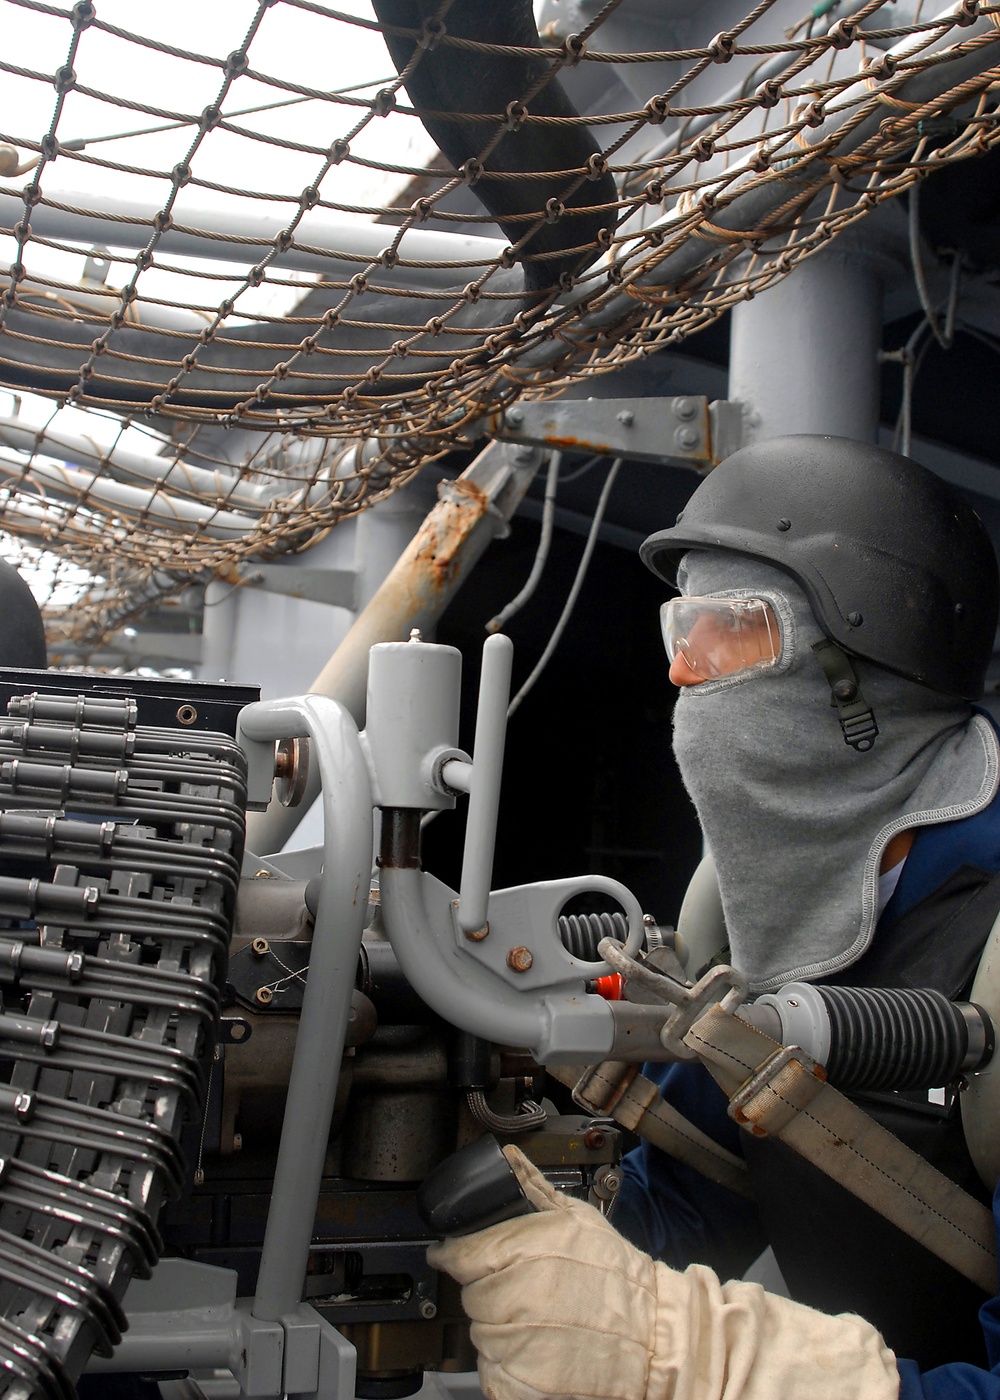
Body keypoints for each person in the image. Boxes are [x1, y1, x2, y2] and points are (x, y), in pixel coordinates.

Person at [430, 434, 1000, 1397]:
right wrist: (545, 1242)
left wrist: (711, 1369)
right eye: (674, 632)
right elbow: (691, 1206)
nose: (682, 674)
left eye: (727, 629)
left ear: (865, 661)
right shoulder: (743, 921)